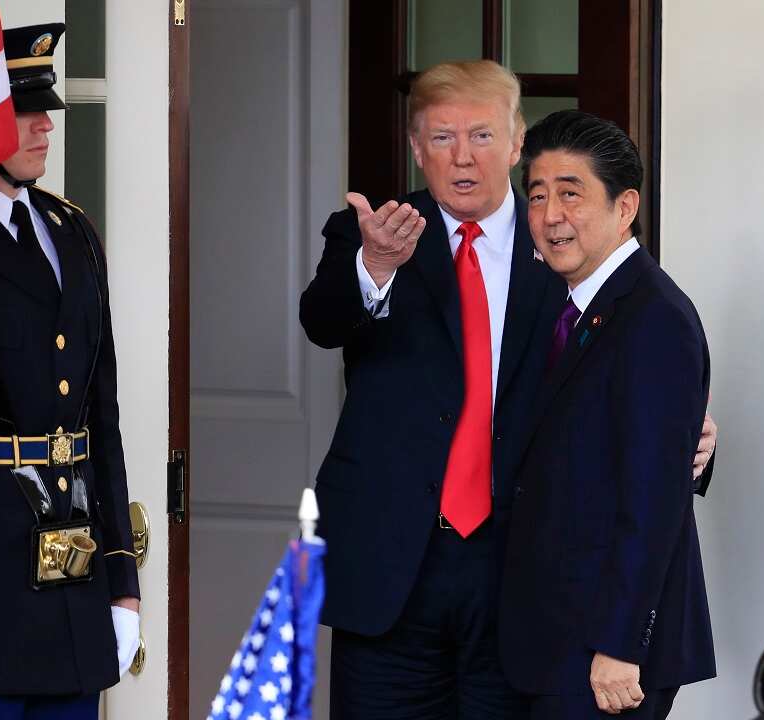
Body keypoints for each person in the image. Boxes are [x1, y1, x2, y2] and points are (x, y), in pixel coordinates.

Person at [300, 61, 719, 718]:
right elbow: (323, 321)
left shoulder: (566, 240)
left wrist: (690, 446)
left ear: (516, 143)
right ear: (416, 149)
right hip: (391, 568)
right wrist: (374, 265)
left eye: (482, 136)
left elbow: (632, 385)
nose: (462, 157)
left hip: (520, 570)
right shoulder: (376, 233)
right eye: (441, 139)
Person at [498, 110, 716, 719]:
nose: (549, 216)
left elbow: (652, 500)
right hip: (551, 636)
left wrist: (621, 643)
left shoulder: (654, 317)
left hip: (606, 652)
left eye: (571, 195)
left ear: (625, 208)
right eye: (537, 195)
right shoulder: (560, 306)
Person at [0, 24, 141, 719]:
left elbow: (101, 417)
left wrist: (121, 577)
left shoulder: (69, 229)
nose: (46, 124)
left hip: (71, 566)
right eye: (23, 108)